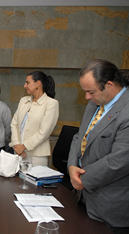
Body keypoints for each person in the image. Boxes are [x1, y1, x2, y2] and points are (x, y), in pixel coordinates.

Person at [67, 59, 129, 233]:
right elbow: (80, 136)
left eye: (90, 92)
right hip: (86, 201)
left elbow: (118, 162)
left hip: (111, 209)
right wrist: (72, 167)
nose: (87, 97)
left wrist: (81, 180)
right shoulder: (94, 103)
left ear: (109, 85)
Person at [9, 71, 59, 166]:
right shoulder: (23, 100)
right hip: (18, 153)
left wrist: (23, 146)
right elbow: (14, 124)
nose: (25, 86)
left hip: (37, 156)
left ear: (37, 84)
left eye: (27, 82)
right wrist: (17, 146)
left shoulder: (51, 103)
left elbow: (44, 132)